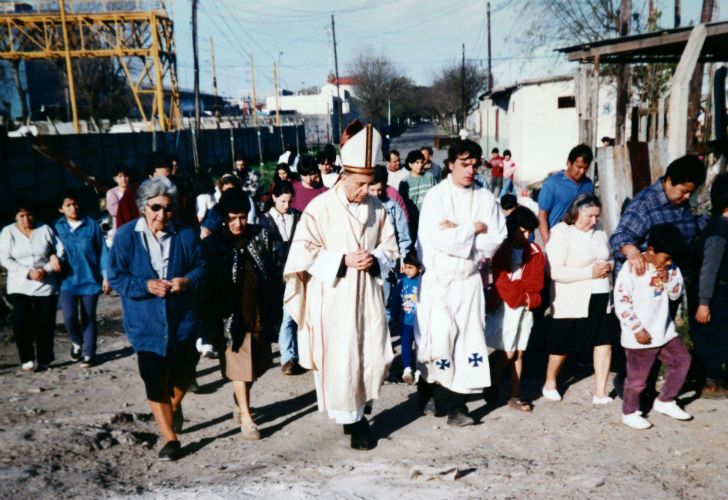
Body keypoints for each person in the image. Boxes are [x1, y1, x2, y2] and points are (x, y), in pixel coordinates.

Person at [283, 120, 398, 450]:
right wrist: (343, 260)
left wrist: (375, 259)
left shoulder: (377, 209)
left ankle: (361, 408)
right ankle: (354, 422)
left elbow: (390, 247)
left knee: (371, 354)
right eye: (360, 183)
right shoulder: (320, 208)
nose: (365, 191)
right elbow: (303, 253)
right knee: (344, 358)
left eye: (369, 184)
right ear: (344, 176)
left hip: (368, 296)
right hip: (334, 296)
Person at [108, 176, 206, 461]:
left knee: (183, 375)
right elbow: (116, 276)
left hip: (182, 323)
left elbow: (203, 269)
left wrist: (186, 282)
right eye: (155, 207)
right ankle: (170, 439)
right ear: (143, 207)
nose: (162, 214)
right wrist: (146, 286)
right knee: (153, 379)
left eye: (168, 208)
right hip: (146, 325)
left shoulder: (186, 235)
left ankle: (172, 408)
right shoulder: (126, 236)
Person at [415, 139, 507, 426]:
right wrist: (472, 229)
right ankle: (427, 390)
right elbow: (437, 239)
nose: (469, 170)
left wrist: (461, 234)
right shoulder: (436, 197)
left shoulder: (485, 198)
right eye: (463, 164)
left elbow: (495, 238)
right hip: (440, 282)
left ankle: (458, 408)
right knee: (438, 341)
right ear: (451, 164)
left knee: (467, 344)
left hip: (468, 280)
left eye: (474, 165)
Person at [202, 189, 278, 440]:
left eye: (243, 217)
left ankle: (239, 401)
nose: (238, 223)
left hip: (258, 312)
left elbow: (273, 269)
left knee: (258, 365)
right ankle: (246, 417)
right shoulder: (214, 244)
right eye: (233, 218)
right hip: (230, 318)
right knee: (239, 368)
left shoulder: (260, 236)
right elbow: (209, 283)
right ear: (224, 217)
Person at [615, 224, 692, 430]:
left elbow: (676, 294)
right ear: (650, 251)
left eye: (671, 260)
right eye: (665, 258)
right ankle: (629, 412)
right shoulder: (632, 268)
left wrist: (668, 280)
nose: (668, 263)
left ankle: (665, 400)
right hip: (640, 334)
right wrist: (636, 328)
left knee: (682, 360)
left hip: (664, 330)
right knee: (637, 378)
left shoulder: (670, 267)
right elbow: (622, 302)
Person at [542, 193, 614, 403]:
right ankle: (550, 382)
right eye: (589, 216)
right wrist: (589, 273)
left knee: (603, 341)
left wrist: (609, 266)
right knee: (562, 343)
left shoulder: (599, 231)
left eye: (597, 216)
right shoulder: (560, 232)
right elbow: (555, 272)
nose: (594, 221)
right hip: (571, 298)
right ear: (576, 212)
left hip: (600, 293)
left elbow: (608, 256)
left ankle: (600, 392)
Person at [485, 207, 544, 412]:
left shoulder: (535, 252)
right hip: (507, 305)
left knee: (519, 351)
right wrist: (521, 296)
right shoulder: (502, 251)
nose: (526, 235)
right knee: (507, 351)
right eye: (522, 231)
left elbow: (535, 283)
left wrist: (526, 297)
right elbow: (502, 281)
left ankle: (514, 394)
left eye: (529, 231)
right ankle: (492, 383)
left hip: (524, 307)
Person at [610, 155, 706, 277]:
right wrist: (632, 252)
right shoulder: (645, 203)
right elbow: (620, 236)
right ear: (669, 181)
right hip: (645, 283)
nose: (687, 197)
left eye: (691, 193)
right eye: (684, 191)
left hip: (674, 281)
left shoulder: (684, 203)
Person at [0, 202, 63, 372]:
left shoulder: (44, 229)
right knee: (21, 320)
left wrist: (46, 268)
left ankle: (44, 358)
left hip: (45, 283)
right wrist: (28, 273)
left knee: (45, 322)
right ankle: (26, 357)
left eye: (29, 215)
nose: (26, 219)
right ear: (15, 217)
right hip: (20, 284)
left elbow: (59, 250)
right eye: (22, 216)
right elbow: (5, 259)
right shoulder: (8, 232)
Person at [54, 193, 110, 368]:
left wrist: (106, 276)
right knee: (69, 317)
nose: (73, 208)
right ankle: (77, 343)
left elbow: (103, 252)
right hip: (67, 282)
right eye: (68, 205)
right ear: (61, 209)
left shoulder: (91, 225)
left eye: (75, 204)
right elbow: (50, 250)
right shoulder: (57, 228)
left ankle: (89, 353)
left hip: (90, 280)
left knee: (88, 317)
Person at [260, 181, 304, 376]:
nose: (287, 205)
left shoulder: (298, 218)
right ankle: (288, 356)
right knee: (283, 316)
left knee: (294, 314)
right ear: (274, 198)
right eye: (283, 201)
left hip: (297, 273)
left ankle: (293, 356)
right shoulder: (265, 220)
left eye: (289, 201)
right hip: (274, 276)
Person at [692, 173, 728, 398]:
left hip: (723, 292)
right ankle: (709, 381)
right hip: (714, 293)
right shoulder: (718, 231)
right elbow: (709, 269)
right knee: (713, 338)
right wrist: (704, 302)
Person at [368, 167, 412, 323]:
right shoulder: (363, 207)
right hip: (366, 260)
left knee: (386, 299)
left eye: (379, 190)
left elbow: (403, 236)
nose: (376, 194)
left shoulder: (392, 206)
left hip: (386, 260)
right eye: (372, 190)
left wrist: (403, 258)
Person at [537, 144, 595, 245]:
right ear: (568, 162)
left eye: (585, 168)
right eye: (579, 167)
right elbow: (542, 215)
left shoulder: (588, 185)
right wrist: (547, 241)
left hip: (581, 240)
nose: (582, 172)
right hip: (557, 239)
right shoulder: (552, 183)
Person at [393, 252, 422, 385]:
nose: (407, 270)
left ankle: (420, 370)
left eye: (411, 267)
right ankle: (407, 369)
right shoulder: (402, 282)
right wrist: (394, 314)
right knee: (405, 345)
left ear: (419, 268)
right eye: (406, 267)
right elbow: (396, 300)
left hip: (420, 322)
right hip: (405, 321)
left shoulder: (423, 281)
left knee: (420, 346)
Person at [106, 166, 130, 237]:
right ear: (115, 178)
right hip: (120, 230)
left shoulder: (134, 191)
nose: (123, 178)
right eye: (120, 176)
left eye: (125, 176)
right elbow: (114, 211)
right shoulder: (111, 193)